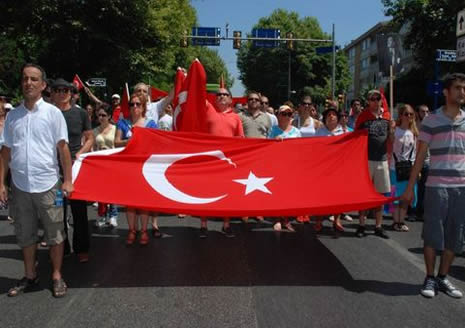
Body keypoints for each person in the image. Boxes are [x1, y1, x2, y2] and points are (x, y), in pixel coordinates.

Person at [0, 63, 73, 298]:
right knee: (25, 234)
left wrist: (68, 181)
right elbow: (6, 152)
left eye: (33, 79)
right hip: (20, 187)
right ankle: (30, 275)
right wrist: (1, 183)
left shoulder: (53, 114)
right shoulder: (13, 116)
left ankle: (57, 276)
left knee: (55, 234)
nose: (28, 83)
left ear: (43, 85)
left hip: (49, 186)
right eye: (25, 79)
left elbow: (63, 150)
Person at [402, 73, 465, 299]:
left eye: (464, 88)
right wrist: (410, 188)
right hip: (436, 186)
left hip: (461, 187)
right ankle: (429, 276)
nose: (462, 92)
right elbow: (420, 157)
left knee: (455, 236)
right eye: (457, 88)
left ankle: (443, 277)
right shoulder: (431, 120)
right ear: (447, 92)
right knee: (432, 234)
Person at [51, 78, 94, 263]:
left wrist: (80, 154)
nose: (62, 93)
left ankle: (81, 248)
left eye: (66, 90)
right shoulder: (48, 114)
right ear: (52, 93)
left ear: (71, 93)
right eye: (58, 90)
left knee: (79, 212)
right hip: (53, 170)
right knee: (57, 212)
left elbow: (90, 138)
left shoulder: (81, 114)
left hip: (75, 170)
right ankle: (63, 247)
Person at [199, 88, 245, 238]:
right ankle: (203, 225)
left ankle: (226, 225)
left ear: (231, 100)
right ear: (214, 99)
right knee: (205, 193)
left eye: (225, 94)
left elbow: (241, 140)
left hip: (227, 163)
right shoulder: (207, 111)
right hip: (209, 161)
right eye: (219, 94)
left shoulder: (236, 118)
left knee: (227, 193)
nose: (222, 96)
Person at [115, 93, 157, 245]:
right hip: (128, 168)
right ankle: (132, 230)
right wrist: (129, 140)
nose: (134, 107)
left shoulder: (150, 123)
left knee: (143, 201)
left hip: (144, 168)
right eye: (132, 104)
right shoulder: (123, 123)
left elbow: (154, 145)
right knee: (130, 202)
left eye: (138, 104)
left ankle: (144, 230)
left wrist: (141, 139)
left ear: (143, 107)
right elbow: (116, 142)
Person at [354, 89, 394, 239]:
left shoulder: (387, 116)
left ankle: (378, 225)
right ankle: (362, 224)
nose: (375, 101)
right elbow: (355, 137)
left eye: (377, 98)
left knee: (380, 194)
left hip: (382, 159)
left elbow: (391, 140)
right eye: (372, 98)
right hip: (366, 160)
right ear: (368, 101)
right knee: (364, 194)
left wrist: (392, 130)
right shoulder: (363, 116)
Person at [313, 106, 351, 233]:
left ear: (338, 118)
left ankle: (337, 220)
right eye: (328, 114)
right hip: (323, 168)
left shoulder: (344, 132)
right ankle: (319, 220)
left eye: (334, 114)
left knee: (338, 196)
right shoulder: (319, 132)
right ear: (325, 118)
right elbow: (314, 149)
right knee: (321, 196)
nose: (331, 116)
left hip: (338, 169)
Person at [268, 105, 301, 232]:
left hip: (291, 167)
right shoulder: (273, 130)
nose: (286, 116)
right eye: (283, 114)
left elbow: (301, 150)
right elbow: (266, 148)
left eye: (289, 114)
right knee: (277, 193)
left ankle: (286, 219)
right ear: (278, 115)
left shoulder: (297, 132)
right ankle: (277, 219)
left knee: (288, 194)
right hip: (276, 166)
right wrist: (273, 142)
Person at [390, 104, 418, 232]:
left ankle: (402, 220)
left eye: (411, 114)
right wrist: (390, 130)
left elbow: (417, 152)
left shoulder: (414, 133)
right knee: (396, 196)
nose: (409, 116)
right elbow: (389, 145)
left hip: (409, 168)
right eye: (406, 114)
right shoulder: (395, 131)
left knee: (407, 197)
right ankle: (396, 221)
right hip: (395, 168)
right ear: (400, 116)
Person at [93, 103, 118, 228]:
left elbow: (119, 144)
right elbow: (92, 147)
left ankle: (113, 215)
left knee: (112, 190)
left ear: (109, 116)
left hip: (112, 163)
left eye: (103, 115)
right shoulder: (94, 131)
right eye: (99, 115)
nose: (101, 117)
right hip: (99, 164)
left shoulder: (115, 129)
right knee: (100, 191)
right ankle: (102, 215)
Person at [414, 104, 430, 220]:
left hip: (428, 161)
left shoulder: (430, 127)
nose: (425, 114)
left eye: (427, 112)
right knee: (414, 187)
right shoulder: (414, 127)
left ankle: (421, 211)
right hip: (415, 161)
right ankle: (412, 211)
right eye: (423, 112)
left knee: (424, 188)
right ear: (418, 113)